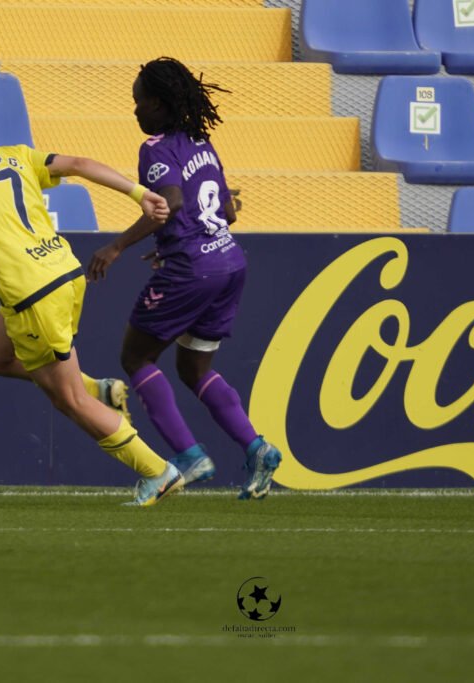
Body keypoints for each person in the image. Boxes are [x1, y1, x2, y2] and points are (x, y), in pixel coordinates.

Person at [0, 92, 184, 507]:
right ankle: (100, 388)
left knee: (68, 399)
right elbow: (80, 165)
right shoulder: (13, 154)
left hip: (31, 293)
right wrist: (138, 192)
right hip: (64, 273)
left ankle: (158, 471)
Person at [87, 57, 282, 500]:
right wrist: (177, 240)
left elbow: (171, 201)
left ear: (157, 103)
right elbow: (227, 211)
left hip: (193, 268)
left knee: (136, 358)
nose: (134, 110)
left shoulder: (156, 149)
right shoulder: (201, 140)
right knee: (194, 368)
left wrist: (116, 246)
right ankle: (257, 447)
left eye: (139, 102)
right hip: (229, 262)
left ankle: (189, 455)